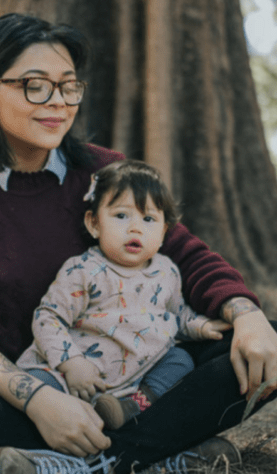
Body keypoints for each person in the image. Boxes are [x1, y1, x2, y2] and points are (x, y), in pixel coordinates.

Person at [0, 12, 277, 474]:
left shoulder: (108, 174)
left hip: (138, 390)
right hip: (25, 388)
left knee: (272, 342)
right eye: (35, 86)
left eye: (69, 86)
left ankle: (86, 467)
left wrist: (247, 315)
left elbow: (187, 255)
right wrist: (41, 402)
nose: (57, 102)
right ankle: (157, 457)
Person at [17, 159, 232, 430]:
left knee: (180, 360)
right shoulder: (85, 269)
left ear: (164, 232)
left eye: (149, 219)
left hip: (133, 378)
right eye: (121, 216)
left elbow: (175, 314)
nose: (135, 228)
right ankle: (57, 426)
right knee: (39, 384)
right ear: (94, 224)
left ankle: (132, 407)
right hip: (72, 374)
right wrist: (71, 363)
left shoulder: (167, 271)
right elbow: (48, 318)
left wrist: (199, 325)